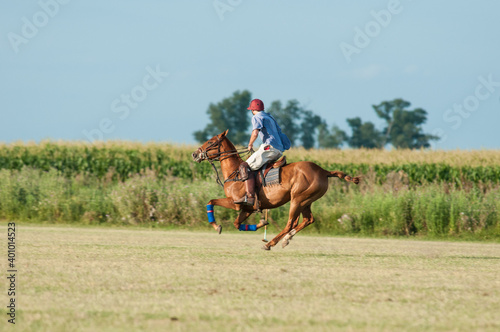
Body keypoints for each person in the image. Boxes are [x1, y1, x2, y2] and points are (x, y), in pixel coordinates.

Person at [234, 98, 291, 206]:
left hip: (269, 148)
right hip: (279, 150)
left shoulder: (257, 117)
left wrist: (250, 144)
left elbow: (255, 133)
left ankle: (249, 197)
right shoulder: (269, 117)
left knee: (244, 166)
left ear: (252, 110)